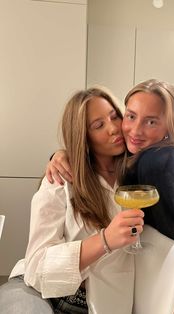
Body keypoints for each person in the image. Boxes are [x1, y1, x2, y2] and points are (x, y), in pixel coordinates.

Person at [46, 79, 174, 314]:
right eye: (130, 116)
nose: (131, 130)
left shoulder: (158, 163)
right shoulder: (132, 158)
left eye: (151, 121)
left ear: (169, 127)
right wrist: (61, 154)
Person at [0, 87, 144, 314]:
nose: (113, 128)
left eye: (115, 116)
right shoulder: (61, 180)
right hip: (41, 293)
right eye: (98, 125)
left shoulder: (139, 175)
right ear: (83, 137)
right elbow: (36, 268)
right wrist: (104, 240)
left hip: (103, 303)